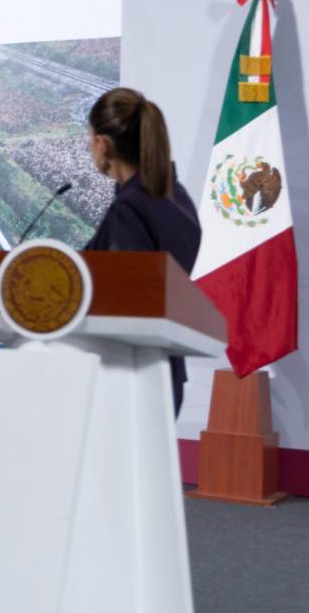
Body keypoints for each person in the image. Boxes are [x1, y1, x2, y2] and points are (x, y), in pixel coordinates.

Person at [84, 88, 200, 417]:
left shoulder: (131, 208)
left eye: (89, 139)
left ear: (103, 143)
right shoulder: (174, 196)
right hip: (164, 369)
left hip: (128, 372)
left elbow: (125, 296)